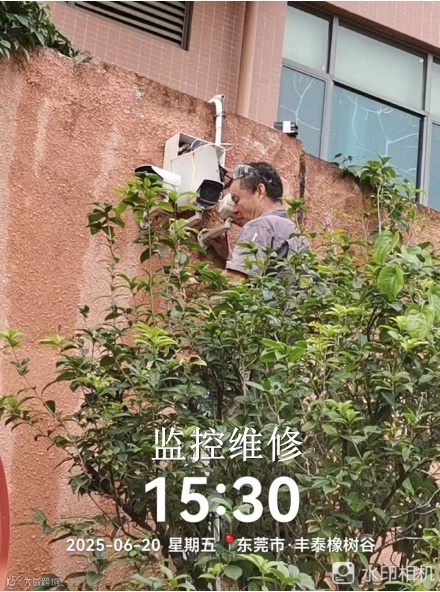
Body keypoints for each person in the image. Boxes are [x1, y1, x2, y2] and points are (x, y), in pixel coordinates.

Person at [206, 162, 308, 280]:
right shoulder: (297, 234)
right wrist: (230, 256)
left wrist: (195, 285)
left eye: (236, 200)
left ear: (260, 191)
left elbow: (234, 280)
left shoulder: (260, 225)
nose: (234, 210)